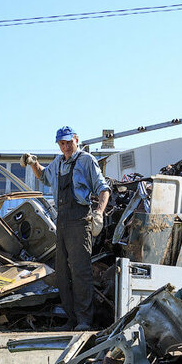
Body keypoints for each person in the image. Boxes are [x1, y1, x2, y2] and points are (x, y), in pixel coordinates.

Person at [22, 126, 110, 331]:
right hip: (61, 221)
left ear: (76, 140)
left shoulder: (86, 160)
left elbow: (103, 188)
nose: (65, 146)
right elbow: (43, 177)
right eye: (62, 143)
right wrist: (33, 163)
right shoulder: (58, 162)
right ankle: (72, 319)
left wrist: (98, 213)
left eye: (68, 142)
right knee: (62, 273)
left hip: (80, 220)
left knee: (80, 272)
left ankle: (84, 320)